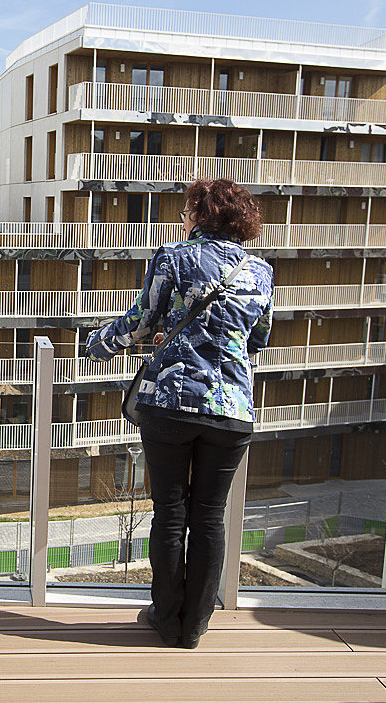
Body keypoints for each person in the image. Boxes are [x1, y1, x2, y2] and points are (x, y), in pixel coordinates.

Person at [86, 178, 273, 649]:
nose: (183, 217)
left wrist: (98, 344)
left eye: (187, 209)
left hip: (172, 404)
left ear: (199, 213)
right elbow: (257, 340)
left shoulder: (174, 256)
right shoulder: (261, 271)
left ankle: (166, 618)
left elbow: (142, 320)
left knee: (170, 511)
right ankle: (196, 625)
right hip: (232, 411)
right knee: (210, 515)